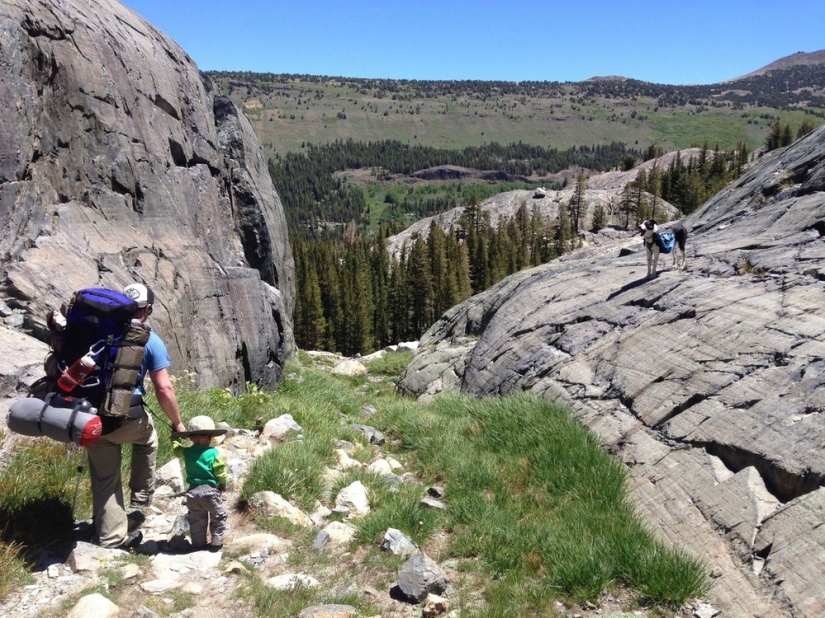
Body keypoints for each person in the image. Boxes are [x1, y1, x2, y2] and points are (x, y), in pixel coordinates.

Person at [86, 283, 186, 550]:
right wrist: (177, 423)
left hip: (92, 420)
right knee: (148, 438)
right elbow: (164, 388)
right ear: (148, 310)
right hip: (128, 418)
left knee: (106, 479)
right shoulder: (149, 339)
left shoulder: (98, 330)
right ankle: (141, 499)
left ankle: (109, 537)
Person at [171, 415, 228, 551]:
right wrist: (223, 484)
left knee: (197, 520)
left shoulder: (187, 452)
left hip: (192, 493)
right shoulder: (214, 452)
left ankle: (198, 544)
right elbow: (220, 472)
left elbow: (176, 450)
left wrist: (175, 438)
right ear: (210, 436)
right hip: (210, 493)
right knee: (219, 515)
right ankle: (216, 540)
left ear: (190, 437)